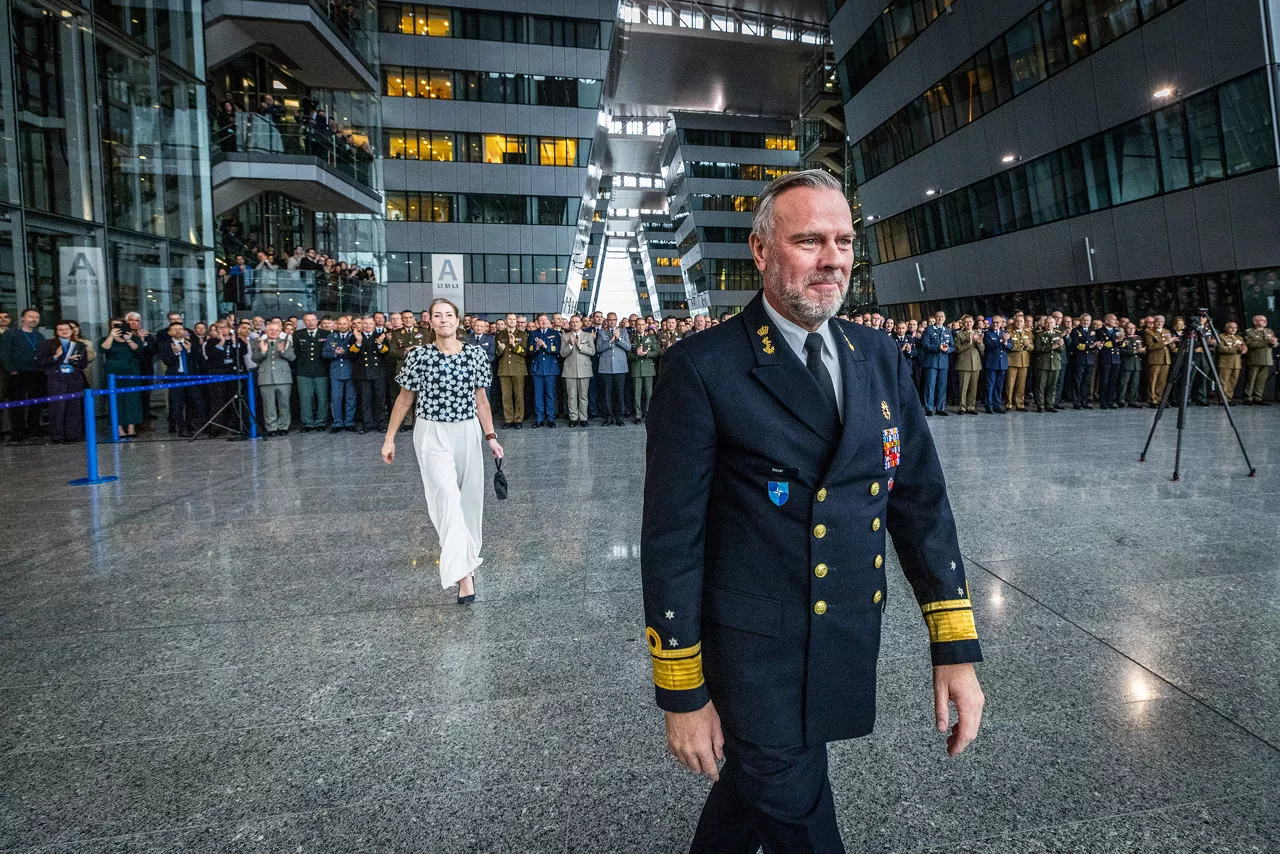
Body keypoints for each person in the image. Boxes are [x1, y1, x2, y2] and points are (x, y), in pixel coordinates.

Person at [642, 170, 983, 853]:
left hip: (842, 638)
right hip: (754, 662)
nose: (833, 258)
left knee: (747, 802)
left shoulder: (879, 355)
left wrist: (954, 649)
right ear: (762, 252)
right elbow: (672, 540)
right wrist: (683, 692)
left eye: (844, 240)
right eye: (809, 240)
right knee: (798, 816)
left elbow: (918, 500)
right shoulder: (703, 369)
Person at [381, 298, 503, 604]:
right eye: (438, 315)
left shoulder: (475, 355)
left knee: (470, 503)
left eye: (449, 315)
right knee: (446, 501)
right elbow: (404, 399)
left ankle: (467, 559)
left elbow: (482, 401)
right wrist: (389, 438)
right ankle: (464, 577)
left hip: (467, 430)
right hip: (432, 433)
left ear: (458, 320)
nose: (444, 319)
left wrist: (490, 437)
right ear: (430, 322)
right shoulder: (419, 356)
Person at [37, 321, 89, 443]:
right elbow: (41, 361)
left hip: (74, 378)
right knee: (57, 407)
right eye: (60, 329)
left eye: (66, 329)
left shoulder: (79, 345)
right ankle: (57, 435)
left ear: (72, 331)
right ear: (56, 332)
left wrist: (73, 361)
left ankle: (73, 434)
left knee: (74, 406)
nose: (64, 332)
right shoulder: (48, 344)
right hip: (56, 378)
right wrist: (56, 356)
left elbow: (83, 364)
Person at [0, 308, 47, 440]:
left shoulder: (39, 336)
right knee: (17, 402)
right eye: (30, 316)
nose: (33, 319)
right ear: (22, 318)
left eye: (36, 317)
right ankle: (18, 430)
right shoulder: (11, 333)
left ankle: (34, 427)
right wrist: (12, 370)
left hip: (37, 372)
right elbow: (4, 353)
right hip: (17, 373)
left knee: (36, 402)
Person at [99, 318, 143, 439]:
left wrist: (128, 339)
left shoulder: (134, 338)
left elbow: (139, 350)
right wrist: (111, 336)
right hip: (113, 372)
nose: (118, 327)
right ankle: (118, 428)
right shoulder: (106, 339)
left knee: (132, 400)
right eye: (115, 325)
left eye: (120, 325)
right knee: (115, 400)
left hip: (131, 372)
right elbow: (103, 349)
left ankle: (131, 427)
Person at [252, 319, 296, 436]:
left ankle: (283, 426)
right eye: (271, 330)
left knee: (284, 404)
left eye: (276, 330)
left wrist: (283, 351)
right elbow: (255, 359)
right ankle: (271, 427)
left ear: (280, 331)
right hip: (266, 378)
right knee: (268, 405)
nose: (273, 332)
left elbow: (292, 358)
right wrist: (262, 351)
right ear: (266, 330)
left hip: (283, 377)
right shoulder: (258, 342)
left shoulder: (285, 342)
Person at [350, 316, 390, 434]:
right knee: (365, 401)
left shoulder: (380, 336)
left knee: (380, 400)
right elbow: (351, 355)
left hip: (378, 373)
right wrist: (358, 342)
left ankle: (381, 424)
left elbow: (386, 354)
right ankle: (367, 424)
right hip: (362, 374)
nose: (368, 326)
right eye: (365, 324)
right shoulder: (355, 337)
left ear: (374, 324)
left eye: (370, 324)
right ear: (361, 325)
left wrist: (380, 345)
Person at [158, 320, 197, 436]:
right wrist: (175, 353)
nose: (178, 331)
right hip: (175, 377)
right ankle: (180, 428)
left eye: (180, 329)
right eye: (175, 329)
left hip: (189, 377)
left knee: (189, 402)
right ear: (170, 333)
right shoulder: (165, 345)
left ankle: (189, 425)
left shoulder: (190, 342)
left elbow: (197, 359)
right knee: (177, 404)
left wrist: (189, 350)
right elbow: (167, 361)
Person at [294, 313, 330, 432]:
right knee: (305, 399)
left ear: (317, 321)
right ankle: (307, 423)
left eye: (313, 320)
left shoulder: (326, 334)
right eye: (307, 320)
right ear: (304, 322)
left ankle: (321, 422)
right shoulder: (298, 334)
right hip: (304, 371)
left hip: (321, 371)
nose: (310, 322)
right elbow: (297, 352)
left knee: (322, 398)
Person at [323, 316, 357, 432]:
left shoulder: (353, 337)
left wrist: (345, 352)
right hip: (336, 372)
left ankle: (349, 422)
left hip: (351, 371)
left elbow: (357, 353)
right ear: (337, 325)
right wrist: (335, 353)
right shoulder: (331, 337)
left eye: (345, 324)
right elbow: (325, 354)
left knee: (350, 399)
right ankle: (337, 423)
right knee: (336, 399)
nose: (342, 326)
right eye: (340, 324)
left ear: (349, 325)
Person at [595, 312, 630, 425]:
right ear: (607, 321)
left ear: (617, 320)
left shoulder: (624, 331)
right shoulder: (601, 332)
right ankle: (609, 416)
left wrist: (619, 338)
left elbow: (628, 347)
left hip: (620, 367)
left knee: (619, 393)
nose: (612, 322)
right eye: (610, 320)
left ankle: (619, 416)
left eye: (614, 320)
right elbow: (599, 348)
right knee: (607, 394)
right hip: (606, 367)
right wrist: (609, 342)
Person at [527, 313, 561, 428]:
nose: (543, 322)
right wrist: (536, 347)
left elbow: (558, 349)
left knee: (550, 394)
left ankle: (550, 418)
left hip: (551, 368)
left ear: (549, 321)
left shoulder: (555, 334)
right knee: (538, 394)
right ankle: (539, 418)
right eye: (540, 321)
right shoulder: (533, 334)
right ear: (537, 322)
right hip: (537, 368)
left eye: (545, 320)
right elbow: (529, 350)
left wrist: (545, 346)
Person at [561, 315, 595, 427]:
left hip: (584, 369)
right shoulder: (565, 336)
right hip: (570, 369)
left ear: (581, 323)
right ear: (570, 324)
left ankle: (583, 417)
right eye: (572, 322)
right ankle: (573, 418)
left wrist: (580, 346)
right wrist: (570, 345)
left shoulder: (588, 335)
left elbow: (592, 351)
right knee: (571, 396)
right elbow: (562, 353)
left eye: (577, 322)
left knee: (583, 395)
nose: (575, 324)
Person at [495, 314, 528, 428]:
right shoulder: (500, 335)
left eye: (514, 319)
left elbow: (524, 352)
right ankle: (508, 419)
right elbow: (497, 354)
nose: (512, 321)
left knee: (519, 396)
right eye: (510, 319)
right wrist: (500, 350)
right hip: (504, 368)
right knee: (506, 396)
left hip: (518, 368)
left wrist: (514, 345)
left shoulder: (523, 334)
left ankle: (518, 419)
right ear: (506, 321)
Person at [918, 311, 952, 416]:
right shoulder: (929, 330)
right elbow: (925, 345)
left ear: (945, 318)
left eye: (942, 316)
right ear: (935, 318)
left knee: (942, 386)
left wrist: (947, 350)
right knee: (930, 386)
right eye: (938, 317)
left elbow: (952, 346)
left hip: (943, 362)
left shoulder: (947, 330)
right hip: (931, 361)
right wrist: (938, 348)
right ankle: (929, 408)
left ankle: (940, 408)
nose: (940, 318)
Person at [1242, 314, 1277, 405]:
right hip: (1254, 359)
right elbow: (1249, 344)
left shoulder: (1269, 331)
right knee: (1251, 379)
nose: (1264, 322)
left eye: (1265, 320)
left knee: (1261, 380)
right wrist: (1265, 342)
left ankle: (1258, 397)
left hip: (1266, 359)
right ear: (1255, 322)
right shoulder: (1249, 332)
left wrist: (1273, 343)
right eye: (1261, 320)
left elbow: (1276, 343)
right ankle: (1248, 397)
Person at [629, 321, 659, 423]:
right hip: (636, 368)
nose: (641, 327)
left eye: (642, 325)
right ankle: (638, 415)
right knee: (637, 393)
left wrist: (646, 354)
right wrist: (637, 355)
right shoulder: (632, 338)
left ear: (645, 326)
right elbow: (628, 354)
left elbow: (656, 352)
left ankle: (648, 413)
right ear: (636, 326)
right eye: (638, 325)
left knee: (649, 393)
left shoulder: (651, 337)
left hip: (648, 368)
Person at [981, 315, 1011, 414]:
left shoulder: (1005, 333)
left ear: (1001, 323)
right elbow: (988, 346)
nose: (995, 324)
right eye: (993, 322)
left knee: (999, 385)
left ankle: (997, 404)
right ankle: (988, 405)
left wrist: (1006, 342)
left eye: (997, 322)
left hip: (1002, 363)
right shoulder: (987, 333)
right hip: (991, 363)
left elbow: (1011, 346)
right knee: (990, 385)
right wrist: (1001, 340)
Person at [1033, 316, 1064, 413]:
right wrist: (1052, 346)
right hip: (1043, 363)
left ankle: (1049, 404)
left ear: (1055, 324)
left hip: (1055, 363)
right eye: (1047, 323)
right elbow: (1038, 348)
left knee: (1052, 385)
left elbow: (1062, 349)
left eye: (1051, 323)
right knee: (1041, 385)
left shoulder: (1058, 334)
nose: (1049, 325)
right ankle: (1040, 405)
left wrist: (1060, 345)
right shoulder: (1039, 334)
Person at [953, 315, 983, 415]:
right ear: (963, 324)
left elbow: (982, 350)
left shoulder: (977, 333)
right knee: (963, 387)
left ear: (973, 322)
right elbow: (957, 349)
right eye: (966, 322)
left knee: (973, 387)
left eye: (970, 322)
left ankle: (971, 406)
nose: (968, 324)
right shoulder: (959, 334)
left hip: (976, 363)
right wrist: (968, 343)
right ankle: (962, 406)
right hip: (964, 363)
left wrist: (978, 343)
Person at [1004, 315, 1032, 412]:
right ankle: (1008, 403)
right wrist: (1020, 347)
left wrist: (1028, 346)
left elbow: (1032, 347)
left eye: (1021, 321)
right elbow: (1009, 346)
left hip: (1024, 361)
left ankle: (1020, 404)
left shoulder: (1028, 333)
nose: (1019, 323)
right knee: (1010, 384)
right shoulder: (1009, 332)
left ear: (1024, 323)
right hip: (1012, 361)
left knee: (1021, 384)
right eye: (1017, 321)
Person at [1142, 316, 1172, 406]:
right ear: (1154, 322)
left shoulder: (1167, 331)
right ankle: (1152, 399)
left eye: (1162, 322)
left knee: (1162, 381)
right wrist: (1166, 342)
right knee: (1153, 380)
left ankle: (1160, 398)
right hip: (1155, 359)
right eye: (1158, 322)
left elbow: (1171, 345)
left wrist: (1172, 343)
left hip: (1166, 359)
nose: (1160, 323)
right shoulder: (1149, 332)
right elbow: (1150, 346)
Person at [1214, 321, 1246, 403]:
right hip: (1225, 363)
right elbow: (1221, 349)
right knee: (1224, 382)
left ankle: (1228, 398)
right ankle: (1222, 399)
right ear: (1226, 328)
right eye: (1231, 327)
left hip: (1236, 363)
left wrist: (1243, 349)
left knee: (1233, 381)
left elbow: (1244, 349)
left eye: (1235, 328)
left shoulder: (1239, 338)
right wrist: (1235, 348)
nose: (1233, 329)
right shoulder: (1221, 337)